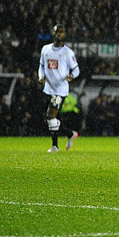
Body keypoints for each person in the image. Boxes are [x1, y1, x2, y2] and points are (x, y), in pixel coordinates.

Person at [38, 23, 80, 152]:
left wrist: (71, 76)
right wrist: (41, 76)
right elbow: (41, 66)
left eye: (61, 32)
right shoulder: (45, 49)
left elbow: (76, 69)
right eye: (57, 31)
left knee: (50, 116)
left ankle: (55, 146)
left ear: (64, 34)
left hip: (60, 90)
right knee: (50, 119)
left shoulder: (67, 52)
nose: (59, 34)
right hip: (48, 89)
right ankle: (70, 134)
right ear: (53, 33)